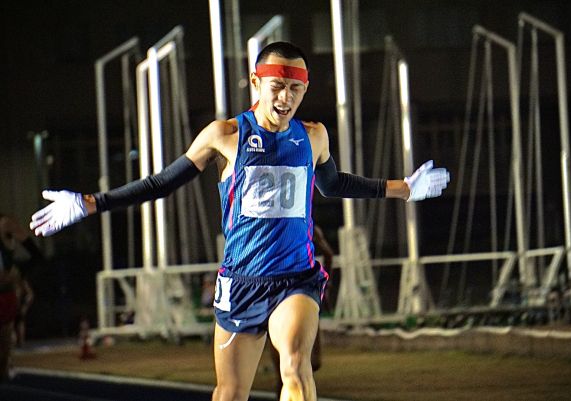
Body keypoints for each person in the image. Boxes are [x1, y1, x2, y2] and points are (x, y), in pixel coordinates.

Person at [29, 41, 449, 401]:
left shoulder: (314, 135)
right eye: (278, 87)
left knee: (297, 367)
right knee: (229, 394)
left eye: (295, 90)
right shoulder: (224, 135)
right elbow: (161, 183)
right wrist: (90, 203)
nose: (285, 99)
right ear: (256, 83)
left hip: (295, 278)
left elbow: (334, 183)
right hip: (241, 283)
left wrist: (404, 188)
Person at [267, 223, 333, 397]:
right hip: (275, 294)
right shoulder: (273, 228)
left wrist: (325, 285)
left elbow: (328, 254)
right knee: (285, 366)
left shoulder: (307, 227)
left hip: (302, 291)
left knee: (312, 363)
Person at [0, 214, 43, 382]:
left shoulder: (5, 224)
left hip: (4, 295)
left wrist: (18, 274)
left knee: (3, 357)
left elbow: (36, 255)